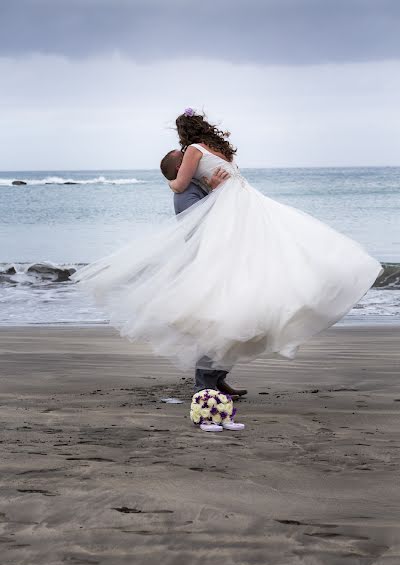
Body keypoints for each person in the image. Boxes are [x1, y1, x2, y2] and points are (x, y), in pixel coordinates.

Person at [73, 108, 382, 389]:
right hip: (248, 207)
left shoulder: (192, 151)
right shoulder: (221, 152)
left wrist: (172, 182)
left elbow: (178, 184)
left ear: (184, 137)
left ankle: (212, 379)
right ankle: (212, 378)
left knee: (232, 293)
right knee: (252, 282)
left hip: (233, 213)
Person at [160, 149, 248, 398]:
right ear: (181, 169)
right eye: (185, 159)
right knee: (214, 325)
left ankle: (217, 379)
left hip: (222, 262)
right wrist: (218, 192)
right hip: (208, 267)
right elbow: (200, 229)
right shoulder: (185, 194)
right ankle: (205, 386)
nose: (193, 160)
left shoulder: (200, 186)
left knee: (233, 321)